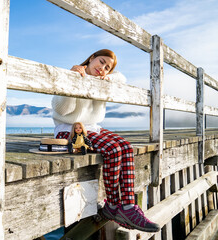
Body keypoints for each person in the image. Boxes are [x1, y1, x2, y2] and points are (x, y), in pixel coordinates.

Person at [52, 49, 160, 232]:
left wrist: (109, 78)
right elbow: (62, 110)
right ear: (91, 57)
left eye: (107, 67)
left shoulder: (103, 80)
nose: (102, 68)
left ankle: (128, 206)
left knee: (125, 146)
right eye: (101, 62)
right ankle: (112, 205)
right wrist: (74, 80)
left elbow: (122, 78)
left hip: (93, 127)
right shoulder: (73, 74)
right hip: (69, 129)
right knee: (113, 149)